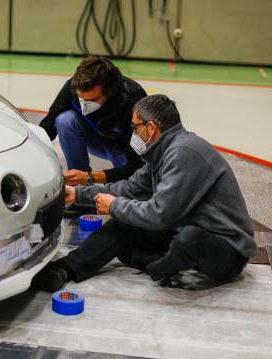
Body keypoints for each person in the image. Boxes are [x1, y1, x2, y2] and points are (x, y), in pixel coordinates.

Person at [32, 94, 256, 292]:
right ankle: (66, 269)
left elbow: (160, 214)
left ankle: (161, 266)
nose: (133, 134)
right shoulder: (161, 154)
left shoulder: (183, 153)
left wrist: (114, 206)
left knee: (189, 239)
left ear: (151, 128)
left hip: (225, 249)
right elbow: (128, 189)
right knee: (123, 225)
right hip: (185, 229)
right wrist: (79, 194)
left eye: (135, 127)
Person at [39, 56, 147, 216]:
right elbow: (48, 126)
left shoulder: (132, 101)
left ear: (109, 93)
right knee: (65, 120)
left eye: (93, 100)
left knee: (132, 195)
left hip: (126, 149)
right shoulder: (72, 87)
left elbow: (137, 165)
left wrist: (91, 177)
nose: (84, 104)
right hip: (98, 139)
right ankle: (80, 194)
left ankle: (86, 186)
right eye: (81, 99)